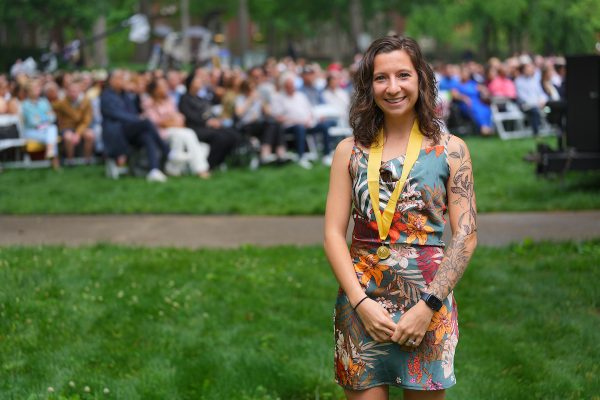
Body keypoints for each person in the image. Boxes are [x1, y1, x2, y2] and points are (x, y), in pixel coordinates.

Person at [324, 36, 478, 400]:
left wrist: (428, 306)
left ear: (421, 79)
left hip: (428, 301)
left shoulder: (451, 148)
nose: (393, 88)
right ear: (368, 85)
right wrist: (360, 303)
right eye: (381, 78)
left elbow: (466, 234)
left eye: (403, 75)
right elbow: (332, 233)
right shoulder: (349, 151)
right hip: (362, 302)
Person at [100, 69, 171, 182]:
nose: (122, 81)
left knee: (147, 136)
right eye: (120, 78)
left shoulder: (126, 96)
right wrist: (137, 119)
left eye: (123, 79)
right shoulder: (106, 96)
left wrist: (136, 117)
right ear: (111, 81)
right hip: (117, 132)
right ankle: (165, 149)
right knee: (146, 122)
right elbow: (117, 115)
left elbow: (133, 111)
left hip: (129, 129)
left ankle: (154, 170)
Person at [144, 77, 211, 179]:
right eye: (162, 86)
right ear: (155, 90)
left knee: (181, 136)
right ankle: (201, 169)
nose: (166, 88)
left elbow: (179, 118)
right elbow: (155, 122)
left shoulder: (169, 100)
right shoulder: (148, 102)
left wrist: (169, 121)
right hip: (159, 133)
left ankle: (173, 169)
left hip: (174, 130)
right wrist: (170, 121)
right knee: (187, 133)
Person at [179, 72, 240, 171]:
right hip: (195, 128)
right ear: (190, 83)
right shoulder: (185, 98)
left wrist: (216, 120)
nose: (200, 82)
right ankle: (209, 164)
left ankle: (220, 161)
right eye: (197, 80)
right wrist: (207, 122)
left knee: (232, 134)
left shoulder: (201, 99)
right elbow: (190, 116)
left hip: (209, 126)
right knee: (220, 137)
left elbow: (210, 113)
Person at [235, 79, 289, 165]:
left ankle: (281, 153)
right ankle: (265, 153)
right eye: (250, 89)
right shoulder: (240, 99)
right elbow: (239, 113)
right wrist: (250, 100)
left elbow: (268, 113)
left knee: (276, 124)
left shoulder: (258, 98)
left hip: (260, 124)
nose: (252, 91)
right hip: (246, 125)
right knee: (270, 125)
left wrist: (263, 102)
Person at [52, 80, 96, 162]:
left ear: (79, 91)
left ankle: (87, 159)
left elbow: (86, 120)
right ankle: (70, 160)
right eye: (71, 91)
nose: (73, 93)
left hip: (81, 126)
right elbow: (51, 107)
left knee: (90, 135)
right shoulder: (62, 103)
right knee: (68, 137)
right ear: (67, 92)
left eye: (75, 91)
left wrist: (78, 133)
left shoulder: (86, 102)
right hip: (67, 127)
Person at [20, 79, 60, 169]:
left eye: (38, 87)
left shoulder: (44, 101)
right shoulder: (25, 105)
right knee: (52, 135)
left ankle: (50, 151)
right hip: (31, 132)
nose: (37, 90)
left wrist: (40, 117)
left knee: (52, 129)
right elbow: (32, 122)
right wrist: (45, 117)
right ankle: (55, 162)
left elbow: (53, 117)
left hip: (45, 130)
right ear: (29, 91)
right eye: (34, 88)